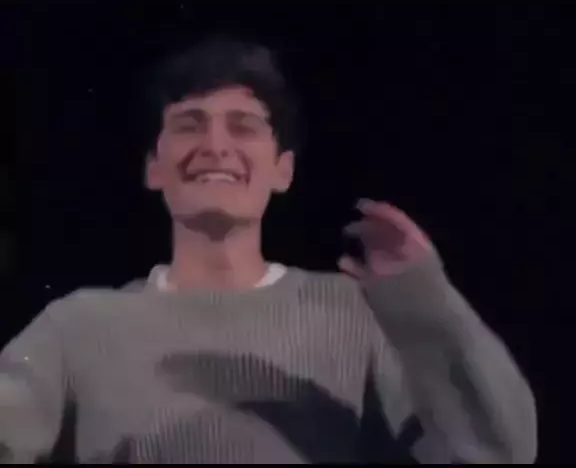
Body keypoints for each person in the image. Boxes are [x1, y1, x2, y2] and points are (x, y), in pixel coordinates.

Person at [0, 36, 537, 464]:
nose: (215, 146)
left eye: (244, 127)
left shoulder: (354, 317)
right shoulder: (78, 328)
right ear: (153, 168)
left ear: (284, 170)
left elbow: (499, 451)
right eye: (189, 125)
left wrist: (425, 303)